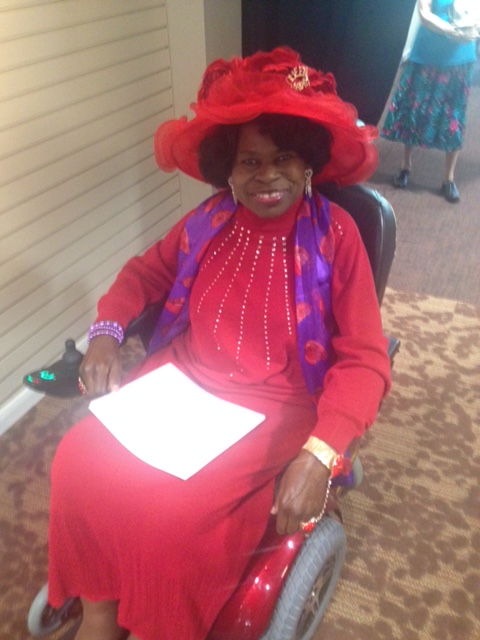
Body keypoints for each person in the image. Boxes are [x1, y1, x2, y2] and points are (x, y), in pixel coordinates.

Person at [47, 47, 391, 640]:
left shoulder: (338, 238)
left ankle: (157, 623)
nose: (267, 175)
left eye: (283, 157)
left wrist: (321, 453)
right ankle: (100, 612)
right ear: (226, 169)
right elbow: (142, 275)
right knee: (78, 459)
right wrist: (105, 333)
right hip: (185, 385)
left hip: (278, 405)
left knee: (176, 517)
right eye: (248, 161)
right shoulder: (208, 221)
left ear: (308, 162)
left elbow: (365, 358)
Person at [380, 0, 478, 203]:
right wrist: (451, 31)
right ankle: (405, 165)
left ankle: (448, 179)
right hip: (427, 52)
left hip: (460, 55)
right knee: (415, 109)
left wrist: (471, 30)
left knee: (454, 116)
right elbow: (424, 14)